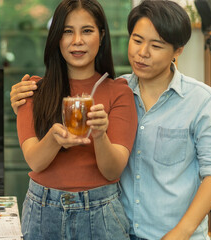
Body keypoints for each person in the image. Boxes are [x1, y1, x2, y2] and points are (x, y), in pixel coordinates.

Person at [11, 1, 211, 239]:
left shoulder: (201, 101)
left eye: (156, 45)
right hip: (121, 227)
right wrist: (37, 114)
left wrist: (181, 233)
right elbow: (35, 156)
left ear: (178, 51)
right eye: (137, 40)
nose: (143, 52)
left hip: (168, 233)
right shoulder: (119, 88)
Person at [16, 0, 138, 239]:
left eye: (87, 31)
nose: (77, 41)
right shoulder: (32, 90)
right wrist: (54, 139)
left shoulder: (119, 91)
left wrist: (100, 135)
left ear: (101, 36)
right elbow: (35, 161)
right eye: (67, 31)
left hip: (101, 212)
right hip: (42, 211)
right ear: (56, 38)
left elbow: (112, 169)